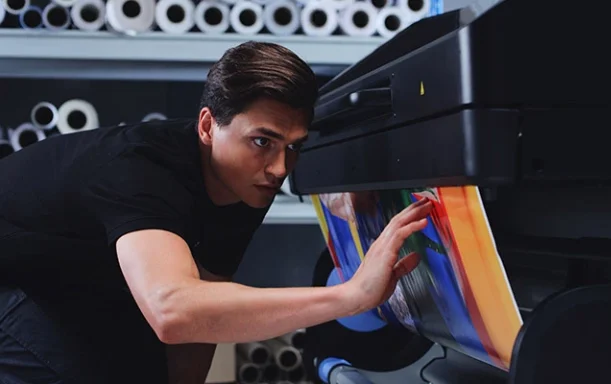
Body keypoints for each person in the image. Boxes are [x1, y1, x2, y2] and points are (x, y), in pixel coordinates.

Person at [0, 41, 430, 384]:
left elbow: (204, 313)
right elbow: (175, 312)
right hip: (17, 289)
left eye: (294, 146)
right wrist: (350, 295)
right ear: (208, 126)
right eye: (263, 141)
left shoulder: (243, 178)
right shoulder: (141, 173)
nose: (281, 168)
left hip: (73, 284)